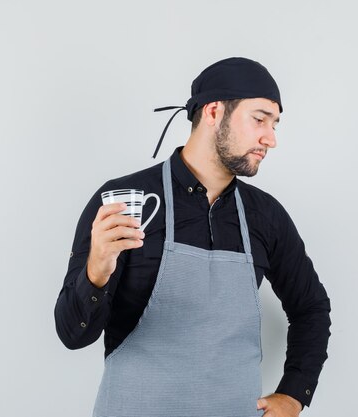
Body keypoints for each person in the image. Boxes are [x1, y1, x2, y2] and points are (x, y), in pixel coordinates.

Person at [54, 57, 331, 417]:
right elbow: (72, 335)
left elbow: (311, 308)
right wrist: (96, 272)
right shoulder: (125, 202)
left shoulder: (266, 216)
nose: (271, 139)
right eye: (259, 119)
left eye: (275, 124)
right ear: (214, 112)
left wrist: (294, 393)